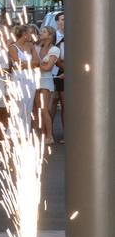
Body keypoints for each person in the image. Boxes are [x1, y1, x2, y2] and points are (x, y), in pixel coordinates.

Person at [8, 24, 41, 131]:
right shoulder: (13, 47)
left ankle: (25, 132)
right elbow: (17, 63)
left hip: (30, 78)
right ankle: (13, 132)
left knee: (28, 106)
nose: (32, 35)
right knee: (18, 105)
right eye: (29, 33)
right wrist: (30, 64)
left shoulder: (31, 46)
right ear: (24, 35)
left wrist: (26, 64)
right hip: (18, 79)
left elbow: (38, 62)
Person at [35, 24, 60, 144]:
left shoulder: (54, 49)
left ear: (50, 35)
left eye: (43, 32)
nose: (41, 33)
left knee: (44, 109)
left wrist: (34, 65)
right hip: (35, 80)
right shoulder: (36, 47)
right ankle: (41, 134)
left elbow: (48, 67)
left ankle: (49, 136)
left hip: (45, 80)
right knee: (37, 109)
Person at [49, 11, 65, 140]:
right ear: (57, 22)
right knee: (51, 102)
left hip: (66, 71)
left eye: (64, 19)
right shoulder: (52, 37)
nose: (62, 22)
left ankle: (67, 133)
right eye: (60, 19)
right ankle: (49, 133)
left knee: (65, 104)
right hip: (52, 71)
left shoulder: (73, 36)